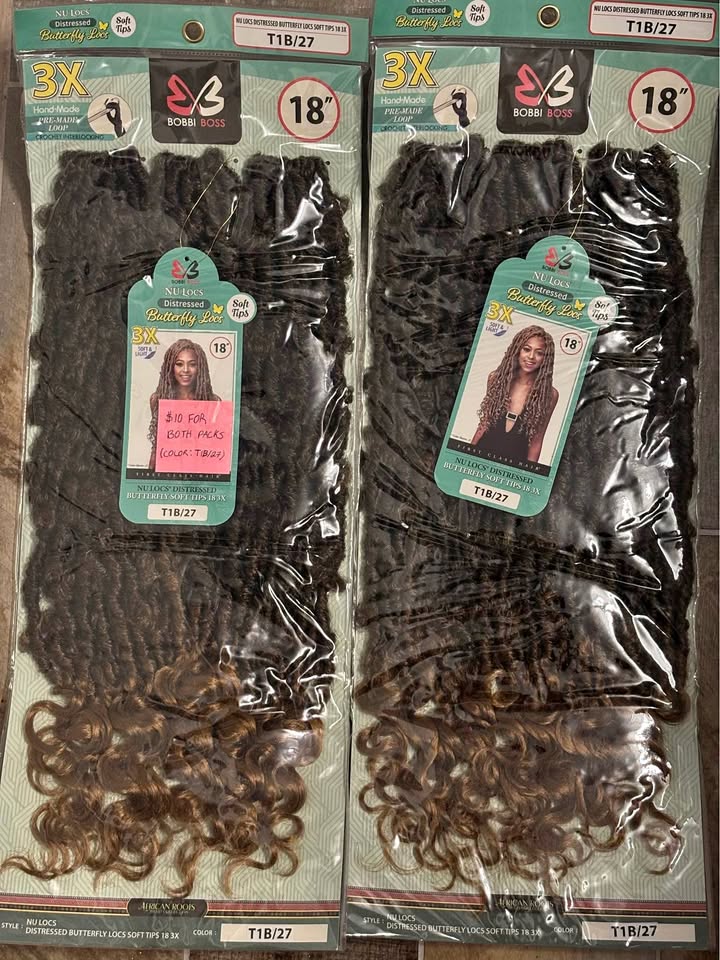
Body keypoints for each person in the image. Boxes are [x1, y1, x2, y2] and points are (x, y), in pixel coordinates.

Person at [471, 325, 558, 465]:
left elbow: (537, 440)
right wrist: (468, 453)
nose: (531, 357)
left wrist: (529, 472)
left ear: (545, 358)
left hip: (515, 464)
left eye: (539, 353)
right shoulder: (495, 379)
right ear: (517, 350)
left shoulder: (549, 395)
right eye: (527, 349)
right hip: (482, 455)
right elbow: (484, 424)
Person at [148, 339, 220, 471]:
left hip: (201, 469)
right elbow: (157, 445)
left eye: (192, 364)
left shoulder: (214, 402)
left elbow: (216, 446)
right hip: (168, 469)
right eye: (179, 364)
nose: (185, 370)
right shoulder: (157, 400)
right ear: (170, 367)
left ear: (200, 368)